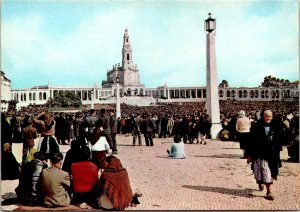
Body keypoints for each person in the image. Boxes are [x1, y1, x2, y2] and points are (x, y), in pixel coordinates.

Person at [249, 110, 283, 201]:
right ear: (263, 116)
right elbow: (251, 141)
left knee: (269, 172)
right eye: (266, 116)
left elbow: (279, 140)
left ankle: (269, 191)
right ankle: (260, 182)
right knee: (260, 171)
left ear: (272, 117)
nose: (268, 118)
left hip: (271, 154)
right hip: (260, 153)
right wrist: (249, 154)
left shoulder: (276, 127)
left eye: (270, 116)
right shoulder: (256, 126)